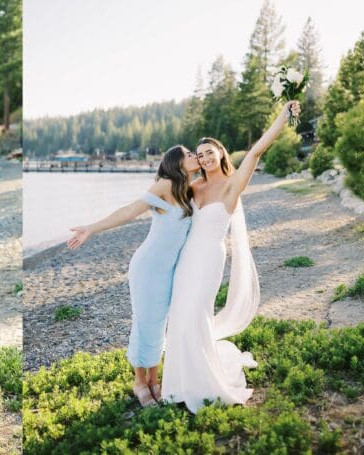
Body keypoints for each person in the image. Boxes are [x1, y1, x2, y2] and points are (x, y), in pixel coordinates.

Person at [162, 101, 301, 413]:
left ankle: (205, 382)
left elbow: (255, 152)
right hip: (187, 260)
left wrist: (283, 115)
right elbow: (166, 195)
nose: (206, 158)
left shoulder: (232, 185)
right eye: (200, 155)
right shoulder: (194, 186)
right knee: (180, 315)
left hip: (210, 258)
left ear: (221, 153)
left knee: (197, 313)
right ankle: (179, 383)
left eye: (210, 152)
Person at [67, 145, 201, 406]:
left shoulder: (188, 190)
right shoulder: (166, 184)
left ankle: (154, 380)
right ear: (176, 162)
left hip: (169, 269)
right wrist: (91, 229)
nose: (195, 156)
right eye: (189, 154)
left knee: (159, 323)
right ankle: (140, 383)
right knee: (145, 322)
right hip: (147, 268)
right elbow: (130, 210)